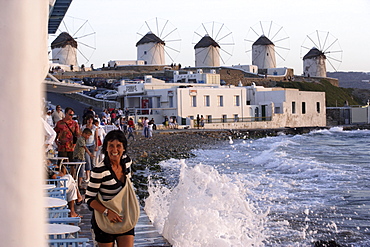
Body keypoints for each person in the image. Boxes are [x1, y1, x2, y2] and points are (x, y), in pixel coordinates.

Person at [85, 130, 135, 247]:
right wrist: (108, 212)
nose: (114, 150)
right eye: (111, 146)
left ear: (123, 148)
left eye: (118, 146)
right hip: (104, 220)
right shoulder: (100, 170)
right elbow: (88, 199)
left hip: (124, 217)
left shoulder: (127, 162)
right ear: (106, 148)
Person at [81, 116, 98, 182]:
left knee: (92, 161)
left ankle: (93, 176)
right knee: (87, 160)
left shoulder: (94, 127)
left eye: (91, 119)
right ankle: (88, 176)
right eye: (88, 119)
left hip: (92, 145)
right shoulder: (83, 127)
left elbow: (96, 137)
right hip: (86, 145)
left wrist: (96, 146)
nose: (90, 121)